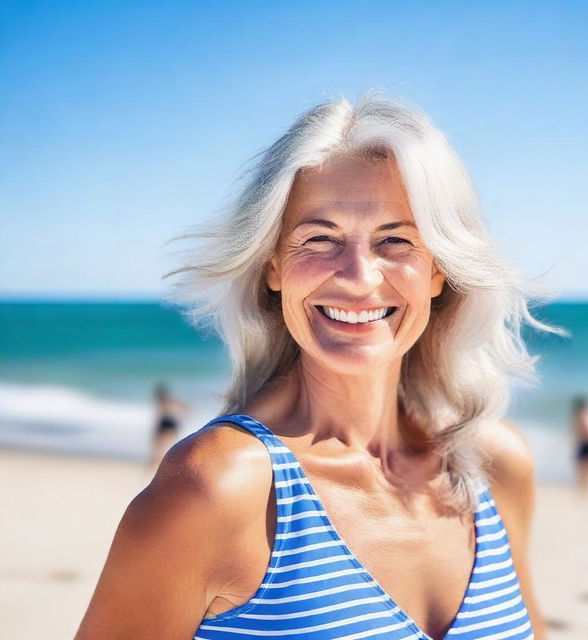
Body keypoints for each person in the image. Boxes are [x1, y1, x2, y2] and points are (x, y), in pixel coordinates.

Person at [75, 91, 559, 640]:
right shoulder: (217, 488)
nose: (357, 276)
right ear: (274, 266)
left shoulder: (493, 466)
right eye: (320, 238)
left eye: (395, 240)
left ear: (439, 271)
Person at [149, 381, 189, 472]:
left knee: (160, 448)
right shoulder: (169, 399)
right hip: (171, 423)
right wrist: (184, 415)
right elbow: (184, 407)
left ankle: (158, 468)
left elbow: (160, 416)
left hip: (166, 423)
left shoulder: (163, 400)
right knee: (166, 447)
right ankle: (164, 467)